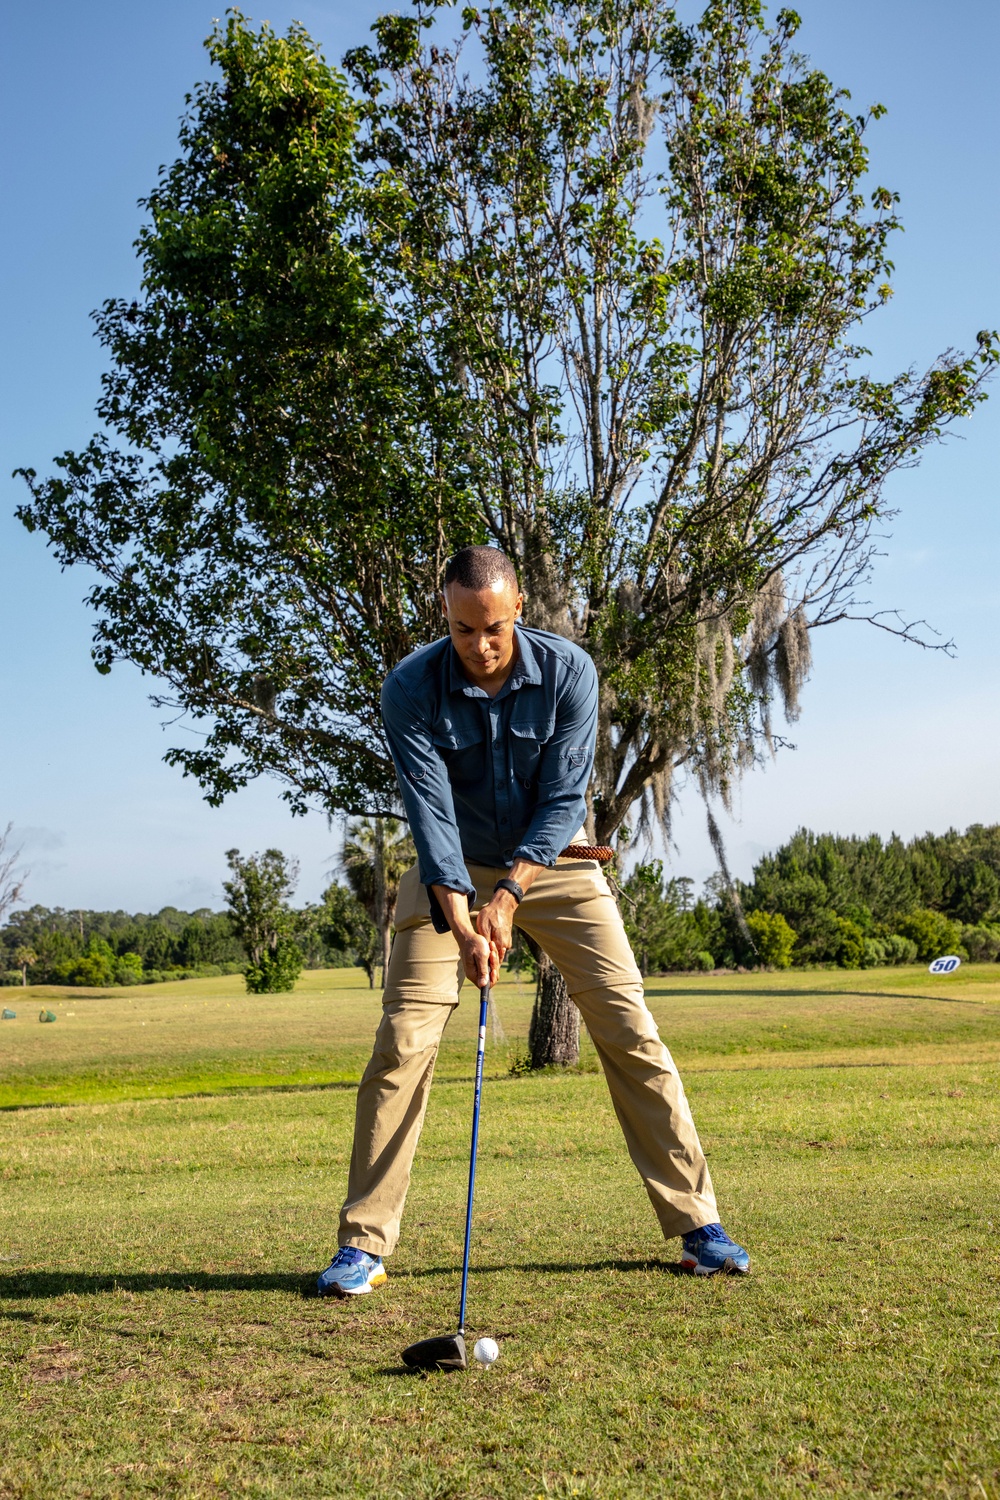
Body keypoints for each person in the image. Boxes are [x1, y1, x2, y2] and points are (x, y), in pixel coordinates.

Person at [318, 545, 750, 1297]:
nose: (479, 647)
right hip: (447, 864)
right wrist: (461, 914)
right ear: (445, 617)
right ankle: (363, 1246)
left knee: (629, 1025)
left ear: (518, 608)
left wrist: (509, 898)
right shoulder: (410, 687)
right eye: (461, 631)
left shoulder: (569, 672)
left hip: (551, 864)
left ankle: (696, 1225)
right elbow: (429, 810)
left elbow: (559, 803)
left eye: (492, 628)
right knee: (402, 1042)